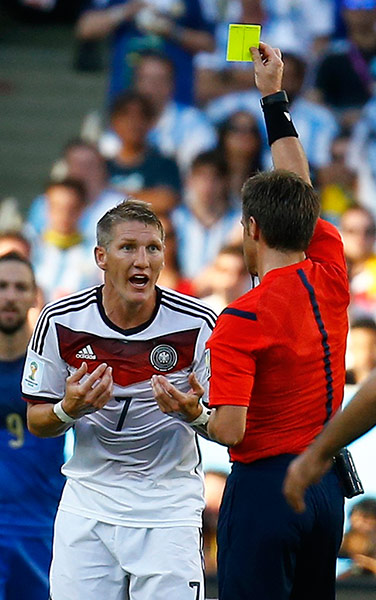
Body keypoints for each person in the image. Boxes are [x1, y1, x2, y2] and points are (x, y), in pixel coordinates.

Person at [151, 41, 350, 600]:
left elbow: (230, 429)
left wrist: (191, 411)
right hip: (324, 488)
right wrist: (273, 98)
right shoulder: (331, 274)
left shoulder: (240, 317)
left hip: (265, 488)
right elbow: (299, 187)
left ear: (253, 230)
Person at [22, 199, 217, 600]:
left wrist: (194, 414)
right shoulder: (60, 321)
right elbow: (36, 420)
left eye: (153, 249)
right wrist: (67, 409)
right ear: (101, 256)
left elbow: (227, 426)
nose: (141, 260)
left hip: (169, 509)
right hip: (89, 505)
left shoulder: (198, 323)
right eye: (128, 247)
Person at [0, 252, 65, 600]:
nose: (9, 296)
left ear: (34, 296)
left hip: (43, 532)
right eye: (1, 286)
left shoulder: (53, 369)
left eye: (19, 287)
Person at [75, 0, 215, 106]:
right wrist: (125, 11)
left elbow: (213, 44)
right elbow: (85, 29)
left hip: (179, 97)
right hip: (126, 93)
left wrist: (173, 32)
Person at [107, 90, 181, 214]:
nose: (133, 123)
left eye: (141, 116)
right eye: (126, 115)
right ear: (113, 122)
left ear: (151, 122)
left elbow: (166, 200)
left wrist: (113, 195)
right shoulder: (102, 166)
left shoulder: (164, 164)